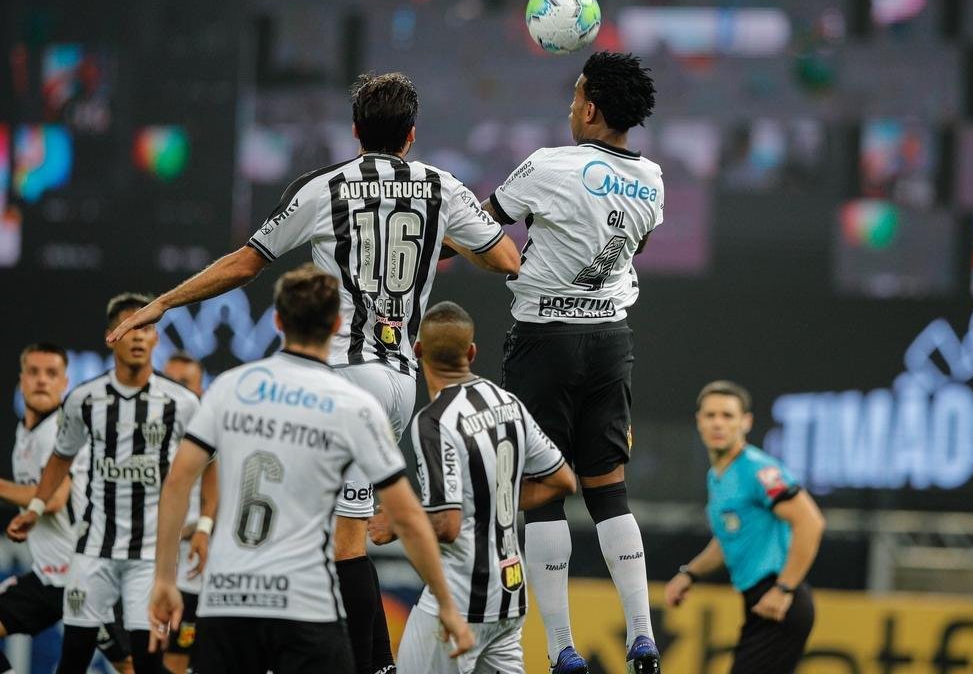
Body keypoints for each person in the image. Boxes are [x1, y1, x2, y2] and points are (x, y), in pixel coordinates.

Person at [108, 71, 520, 674]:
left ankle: (365, 663)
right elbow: (505, 258)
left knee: (335, 540)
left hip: (340, 379)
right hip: (401, 381)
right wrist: (439, 241)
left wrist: (166, 302)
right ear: (411, 135)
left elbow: (246, 263)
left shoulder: (324, 190)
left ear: (355, 132)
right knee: (330, 532)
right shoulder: (442, 188)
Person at [148, 264, 474, 673]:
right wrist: (446, 604)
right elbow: (407, 516)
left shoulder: (231, 388)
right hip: (305, 602)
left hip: (230, 599)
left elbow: (178, 481)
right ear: (337, 323)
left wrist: (164, 579)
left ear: (278, 321)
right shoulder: (352, 404)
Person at [478, 50, 663, 674]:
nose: (569, 105)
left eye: (575, 93)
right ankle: (643, 635)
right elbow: (632, 244)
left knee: (542, 494)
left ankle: (561, 649)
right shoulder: (654, 181)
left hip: (544, 344)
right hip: (610, 342)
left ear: (589, 107)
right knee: (609, 491)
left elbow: (485, 226)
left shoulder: (548, 165)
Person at [370, 302, 576, 673]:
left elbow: (448, 526)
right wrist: (495, 506)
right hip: (510, 597)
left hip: (460, 598)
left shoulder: (432, 423)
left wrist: (399, 522)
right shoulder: (508, 403)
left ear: (416, 351)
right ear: (472, 352)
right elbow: (563, 481)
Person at [7, 295, 200, 674]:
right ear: (112, 336)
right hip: (89, 555)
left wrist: (206, 524)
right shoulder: (84, 402)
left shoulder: (182, 405)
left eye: (147, 327)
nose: (139, 337)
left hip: (151, 559)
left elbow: (211, 467)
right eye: (130, 327)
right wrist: (33, 508)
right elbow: (59, 463)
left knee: (148, 663)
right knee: (84, 660)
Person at [663, 381, 825, 674]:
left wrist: (783, 589)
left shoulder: (758, 469)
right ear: (699, 421)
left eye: (727, 416)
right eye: (710, 415)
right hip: (759, 602)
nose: (718, 423)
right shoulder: (718, 476)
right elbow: (728, 539)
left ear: (746, 422)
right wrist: (690, 574)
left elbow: (810, 522)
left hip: (779, 602)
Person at [0, 343, 133, 674]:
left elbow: (54, 498)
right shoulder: (27, 432)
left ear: (65, 383)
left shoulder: (61, 430)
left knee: (130, 667)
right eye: (33, 372)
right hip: (49, 578)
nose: (42, 380)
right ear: (20, 381)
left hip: (86, 576)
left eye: (51, 374)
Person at [160, 352, 218, 674]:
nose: (176, 391)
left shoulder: (211, 433)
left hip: (192, 566)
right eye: (169, 382)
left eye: (184, 383)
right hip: (143, 560)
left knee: (178, 656)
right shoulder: (141, 426)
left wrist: (201, 527)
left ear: (201, 389)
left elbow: (218, 493)